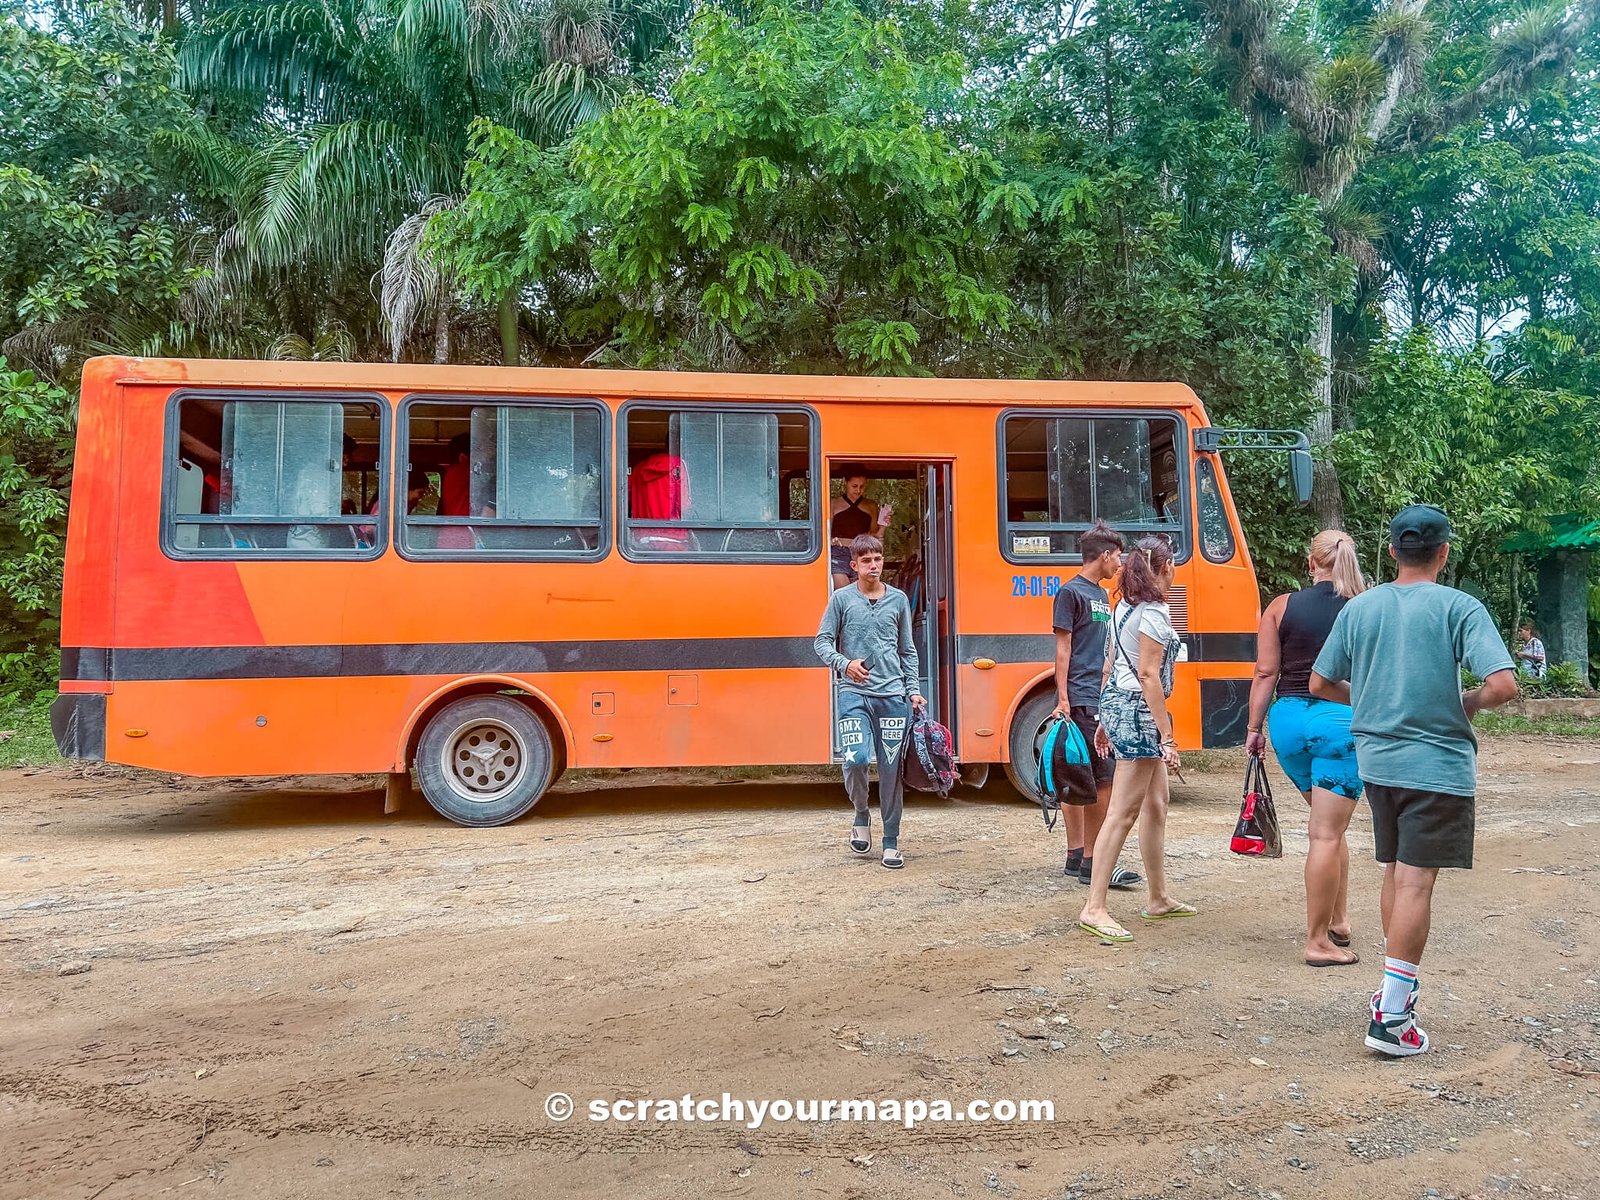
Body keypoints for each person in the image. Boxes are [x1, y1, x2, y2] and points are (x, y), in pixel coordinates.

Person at [1310, 505, 1517, 1057]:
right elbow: (1501, 685)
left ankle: (1390, 989)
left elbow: (1320, 681)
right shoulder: (1460, 607)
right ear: (1444, 553)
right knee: (1415, 884)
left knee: (1396, 871)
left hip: (1378, 765)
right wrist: (1463, 703)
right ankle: (1393, 1015)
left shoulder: (1360, 609)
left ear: (1393, 552)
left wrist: (1376, 701)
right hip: (1436, 765)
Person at [1245, 530, 1368, 967]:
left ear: (1311, 562)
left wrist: (1253, 729)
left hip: (1289, 722)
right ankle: (1317, 941)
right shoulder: (1364, 606)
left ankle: (1339, 920)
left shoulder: (1281, 606)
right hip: (1340, 721)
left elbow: (1264, 673)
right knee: (1326, 833)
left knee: (1328, 827)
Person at [1076, 536, 1193, 941]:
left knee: (1156, 804)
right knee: (1123, 813)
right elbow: (1147, 676)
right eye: (1174, 563)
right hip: (1140, 711)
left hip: (1119, 704)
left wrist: (1106, 718)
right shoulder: (1157, 613)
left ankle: (1158, 897)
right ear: (1164, 568)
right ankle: (1094, 907)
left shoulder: (1123, 605)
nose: (1176, 570)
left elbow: (1112, 663)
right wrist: (1168, 736)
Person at [814, 534, 925, 870]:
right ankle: (861, 813)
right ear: (854, 566)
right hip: (853, 694)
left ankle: (891, 841)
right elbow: (821, 643)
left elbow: (907, 649)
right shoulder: (841, 599)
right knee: (857, 757)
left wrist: (913, 688)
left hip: (892, 696)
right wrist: (844, 664)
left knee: (891, 771)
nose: (873, 565)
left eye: (877, 559)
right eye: (866, 561)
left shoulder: (899, 600)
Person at [1050, 520, 1142, 890]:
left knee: (1084, 777)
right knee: (1100, 781)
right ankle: (1094, 860)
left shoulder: (1103, 596)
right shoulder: (1070, 593)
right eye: (1117, 556)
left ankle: (1077, 855)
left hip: (1100, 692)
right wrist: (1063, 699)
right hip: (1081, 697)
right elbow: (1063, 649)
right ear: (1103, 555)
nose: (1119, 563)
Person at [829, 471, 892, 589]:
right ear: (845, 482)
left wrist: (883, 526)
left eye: (862, 487)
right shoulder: (834, 504)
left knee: (859, 594)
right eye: (854, 486)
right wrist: (831, 541)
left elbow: (874, 536)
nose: (858, 490)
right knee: (843, 593)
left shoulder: (870, 506)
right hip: (838, 552)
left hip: (862, 553)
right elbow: (825, 533)